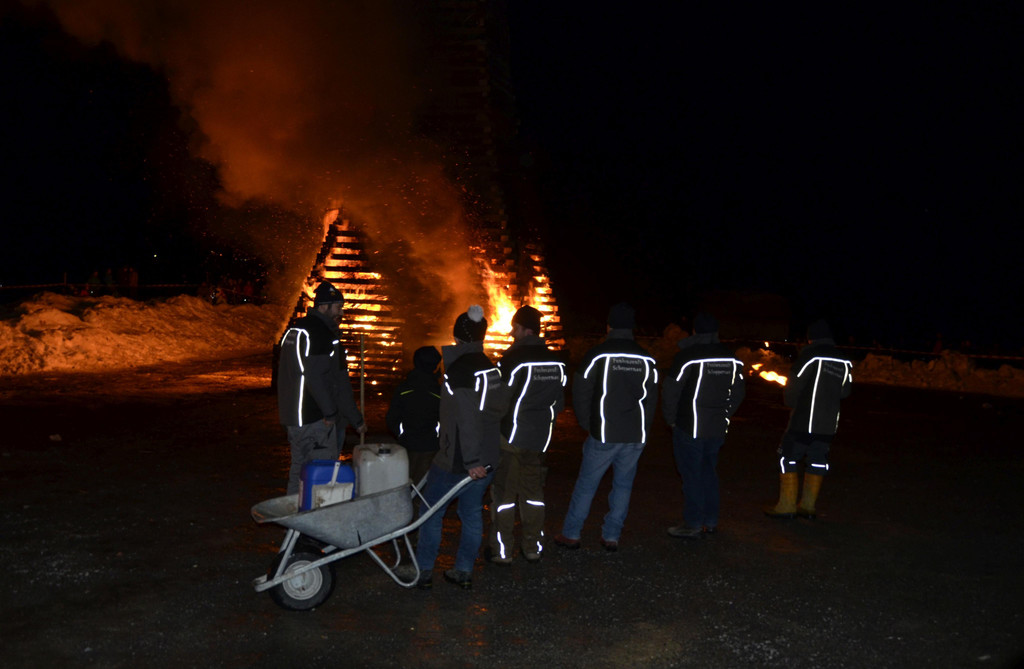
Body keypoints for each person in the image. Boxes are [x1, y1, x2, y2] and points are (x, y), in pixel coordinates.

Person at [405, 305, 506, 590]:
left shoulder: (459, 372)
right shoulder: (491, 368)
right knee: (471, 513)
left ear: (457, 337)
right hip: (486, 457)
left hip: (459, 460)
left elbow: (467, 418)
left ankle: (424, 570)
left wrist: (471, 459)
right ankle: (463, 571)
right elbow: (497, 411)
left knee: (431, 512)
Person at [553, 302, 659, 552]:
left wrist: (586, 423)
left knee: (586, 485)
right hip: (634, 435)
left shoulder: (598, 355)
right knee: (623, 486)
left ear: (609, 326)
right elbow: (652, 398)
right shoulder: (646, 358)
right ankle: (611, 536)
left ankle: (572, 534)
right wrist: (644, 429)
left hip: (604, 432)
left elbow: (580, 391)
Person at [487, 305, 566, 565]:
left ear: (527, 330)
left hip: (511, 439)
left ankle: (502, 551)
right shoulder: (557, 362)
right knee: (533, 496)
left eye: (516, 328)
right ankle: (532, 548)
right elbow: (559, 403)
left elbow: (498, 400)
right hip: (540, 439)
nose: (512, 333)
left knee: (504, 496)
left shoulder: (512, 360)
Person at [276, 281, 366, 495]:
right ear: (324, 306)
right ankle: (315, 515)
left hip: (293, 418)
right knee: (321, 477)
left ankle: (294, 512)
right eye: (338, 307)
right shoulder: (321, 334)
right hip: (314, 419)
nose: (341, 312)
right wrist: (332, 413)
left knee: (299, 472)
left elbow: (291, 373)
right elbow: (323, 378)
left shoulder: (295, 330)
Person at [661, 313, 746, 539]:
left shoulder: (687, 357)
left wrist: (671, 419)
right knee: (708, 472)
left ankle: (693, 523)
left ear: (694, 331)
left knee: (692, 475)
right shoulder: (732, 358)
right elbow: (738, 392)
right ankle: (710, 520)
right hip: (716, 428)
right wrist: (725, 415)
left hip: (689, 426)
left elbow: (670, 391)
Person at [764, 319, 853, 520]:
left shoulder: (809, 356)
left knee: (787, 457)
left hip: (804, 421)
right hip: (828, 424)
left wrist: (791, 402)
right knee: (818, 460)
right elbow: (845, 392)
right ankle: (808, 506)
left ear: (811, 338)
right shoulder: (844, 360)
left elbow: (794, 386)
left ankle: (786, 506)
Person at [385, 345, 442, 487]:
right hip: (430, 446)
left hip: (408, 445)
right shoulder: (439, 391)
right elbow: (446, 418)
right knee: (423, 485)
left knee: (404, 483)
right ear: (435, 366)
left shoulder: (403, 388)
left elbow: (392, 417)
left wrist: (402, 433)